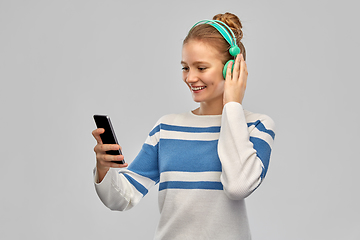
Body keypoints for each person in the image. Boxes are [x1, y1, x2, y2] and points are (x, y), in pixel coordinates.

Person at [92, 12, 275, 240]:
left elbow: (238, 187)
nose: (189, 78)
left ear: (231, 69)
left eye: (201, 67)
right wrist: (103, 169)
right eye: (185, 67)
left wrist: (233, 105)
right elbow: (122, 197)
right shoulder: (166, 128)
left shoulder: (256, 126)